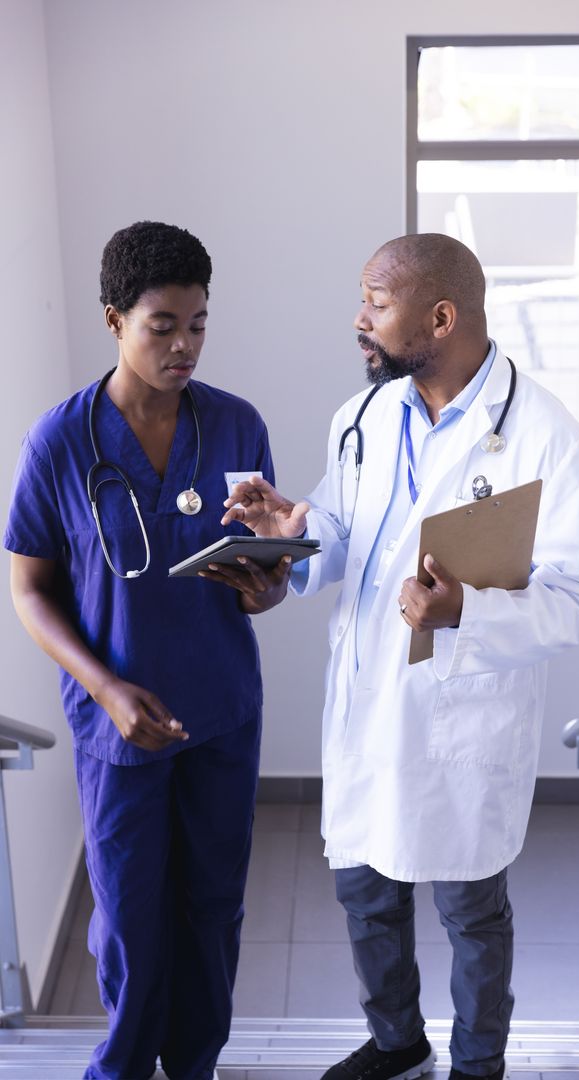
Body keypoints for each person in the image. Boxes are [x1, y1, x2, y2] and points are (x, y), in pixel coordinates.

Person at [222, 233, 579, 1080]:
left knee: (472, 909)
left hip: (459, 722)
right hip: (367, 709)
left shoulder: (546, 437)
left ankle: (479, 1065)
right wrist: (293, 534)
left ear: (440, 317)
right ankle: (398, 1042)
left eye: (376, 301)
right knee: (366, 895)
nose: (358, 319)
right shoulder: (362, 416)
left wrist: (465, 611)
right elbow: (344, 539)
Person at [4, 221, 291, 1080]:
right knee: (129, 913)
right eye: (161, 325)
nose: (184, 345)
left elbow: (265, 568)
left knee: (213, 905)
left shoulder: (237, 424)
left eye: (198, 323)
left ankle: (196, 1062)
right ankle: (124, 1066)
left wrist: (269, 588)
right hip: (115, 727)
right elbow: (30, 589)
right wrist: (107, 689)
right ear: (113, 321)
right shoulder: (61, 443)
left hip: (220, 710)